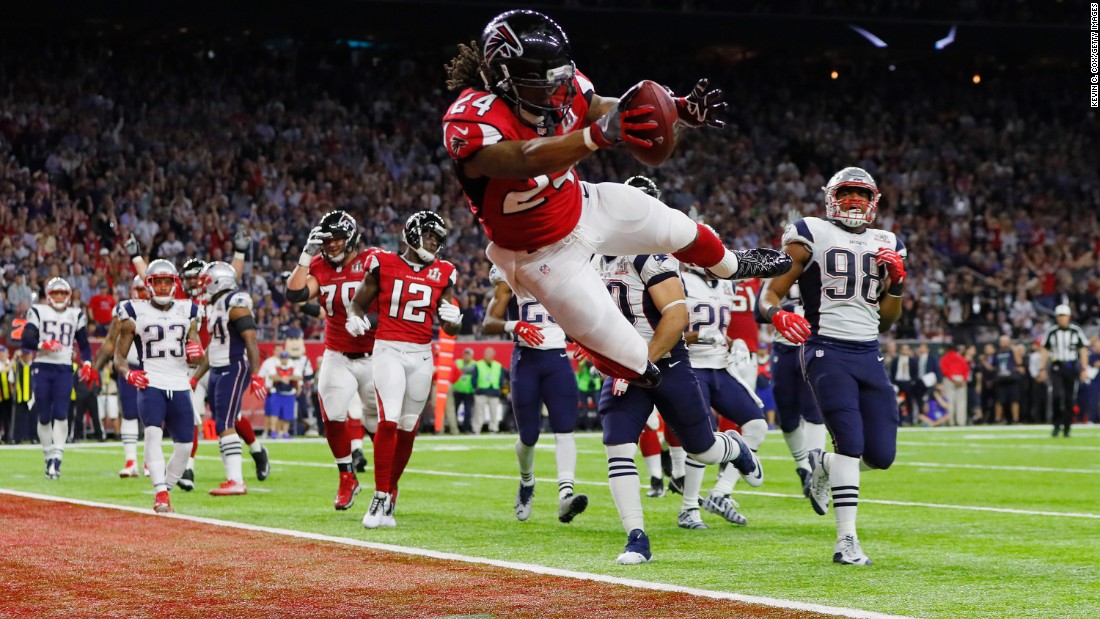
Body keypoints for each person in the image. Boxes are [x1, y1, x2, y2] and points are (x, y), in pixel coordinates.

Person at [443, 9, 791, 389]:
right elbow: (527, 158)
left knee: (679, 228)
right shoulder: (472, 119)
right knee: (635, 363)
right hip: (539, 254)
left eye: (560, 78)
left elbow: (602, 106)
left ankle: (730, 265)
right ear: (504, 77)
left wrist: (673, 109)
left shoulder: (562, 86)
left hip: (582, 204)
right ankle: (595, 345)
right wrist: (596, 136)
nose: (557, 90)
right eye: (543, 82)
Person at [758, 166, 907, 566]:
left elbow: (889, 320)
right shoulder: (811, 232)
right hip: (825, 349)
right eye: (847, 193)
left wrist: (895, 284)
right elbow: (768, 292)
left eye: (861, 194)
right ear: (830, 197)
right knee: (849, 442)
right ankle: (847, 540)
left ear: (874, 201)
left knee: (881, 455)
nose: (854, 201)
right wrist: (776, 315)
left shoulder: (888, 241)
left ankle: (822, 463)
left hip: (868, 351)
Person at [592, 248, 763, 563]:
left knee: (703, 450)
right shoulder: (593, 259)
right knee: (617, 445)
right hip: (626, 366)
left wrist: (635, 366)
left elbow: (676, 318)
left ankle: (734, 448)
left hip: (667, 365)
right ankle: (636, 538)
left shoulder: (647, 257)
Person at [347, 211, 462, 529]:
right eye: (430, 237)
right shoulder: (382, 263)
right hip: (389, 351)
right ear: (412, 234)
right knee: (389, 420)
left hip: (422, 355)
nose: (434, 245)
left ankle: (390, 491)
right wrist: (354, 317)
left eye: (438, 241)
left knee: (409, 428)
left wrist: (454, 319)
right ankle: (380, 495)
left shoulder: (445, 272)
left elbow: (448, 327)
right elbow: (358, 303)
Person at [285, 210, 380, 511]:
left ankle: (387, 483)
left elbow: (394, 304)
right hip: (337, 352)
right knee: (334, 414)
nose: (333, 245)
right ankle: (346, 477)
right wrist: (304, 255)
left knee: (377, 422)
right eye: (328, 240)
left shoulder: (371, 262)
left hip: (375, 354)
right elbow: (296, 294)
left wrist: (367, 319)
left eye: (338, 239)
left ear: (351, 237)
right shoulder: (318, 265)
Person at [483, 264, 586, 523]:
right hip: (526, 360)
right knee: (528, 436)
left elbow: (573, 315)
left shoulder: (559, 271)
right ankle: (526, 481)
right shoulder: (509, 274)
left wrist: (585, 340)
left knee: (565, 429)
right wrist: (514, 325)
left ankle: (565, 496)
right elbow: (489, 322)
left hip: (557, 359)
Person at [113, 260, 203, 513]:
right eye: (157, 282)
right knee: (152, 433)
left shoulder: (189, 310)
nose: (163, 287)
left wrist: (196, 352)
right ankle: (160, 493)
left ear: (175, 284)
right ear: (148, 284)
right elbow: (119, 356)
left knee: (185, 446)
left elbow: (197, 353)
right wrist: (128, 374)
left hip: (180, 382)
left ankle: (166, 488)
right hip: (151, 381)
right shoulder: (134, 311)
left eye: (167, 282)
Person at [190, 261, 268, 495]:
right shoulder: (215, 306)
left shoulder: (236, 301)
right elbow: (212, 348)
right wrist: (196, 378)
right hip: (218, 367)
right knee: (224, 420)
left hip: (233, 366)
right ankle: (233, 478)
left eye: (205, 281)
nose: (202, 286)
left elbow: (250, 339)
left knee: (225, 422)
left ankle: (236, 480)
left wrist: (255, 374)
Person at [21, 277, 97, 479]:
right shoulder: (38, 311)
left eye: (62, 293)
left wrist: (88, 364)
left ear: (69, 296)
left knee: (61, 413)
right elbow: (26, 338)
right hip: (43, 367)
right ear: (48, 295)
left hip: (64, 368)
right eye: (55, 293)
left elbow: (84, 344)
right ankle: (47, 455)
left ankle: (57, 457)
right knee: (44, 415)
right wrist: (41, 345)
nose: (59, 297)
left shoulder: (75, 314)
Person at [763, 283, 825, 497]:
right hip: (784, 348)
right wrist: (783, 312)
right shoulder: (778, 272)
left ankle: (816, 472)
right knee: (787, 417)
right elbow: (758, 312)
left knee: (813, 410)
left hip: (813, 345)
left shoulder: (820, 266)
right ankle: (803, 467)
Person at [93, 275, 150, 477]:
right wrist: (95, 367)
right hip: (130, 367)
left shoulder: (163, 309)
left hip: (155, 367)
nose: (141, 294)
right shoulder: (125, 309)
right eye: (139, 289)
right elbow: (110, 342)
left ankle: (149, 462)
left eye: (145, 289)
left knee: (153, 417)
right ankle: (131, 461)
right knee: (129, 413)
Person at [1041, 304, 1089, 437]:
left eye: (1064, 316)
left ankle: (1067, 427)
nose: (1062, 319)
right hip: (1056, 366)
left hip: (1071, 366)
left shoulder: (1076, 331)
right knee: (1056, 395)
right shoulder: (1052, 332)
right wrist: (1042, 368)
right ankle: (1056, 425)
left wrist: (1084, 368)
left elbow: (1083, 349)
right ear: (1056, 318)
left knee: (1069, 398)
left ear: (1069, 317)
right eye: (1059, 316)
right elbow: (1045, 350)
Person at [992, 335, 1025, 424]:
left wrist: (1015, 351)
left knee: (1014, 400)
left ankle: (1015, 419)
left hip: (1012, 379)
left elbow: (1019, 362)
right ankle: (997, 419)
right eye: (1002, 341)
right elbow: (994, 365)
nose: (1004, 343)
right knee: (999, 400)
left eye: (1005, 341)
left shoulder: (1012, 351)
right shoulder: (997, 353)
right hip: (1000, 379)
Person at [471, 347, 504, 434]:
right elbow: (473, 378)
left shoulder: (498, 365)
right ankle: (476, 428)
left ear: (493, 355)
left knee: (494, 412)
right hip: (481, 391)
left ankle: (494, 428)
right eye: (487, 354)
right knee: (478, 412)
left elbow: (501, 379)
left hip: (494, 391)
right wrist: (476, 387)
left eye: (490, 354)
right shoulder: (478, 364)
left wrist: (499, 388)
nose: (488, 356)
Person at [939, 343, 971, 426]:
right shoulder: (960, 358)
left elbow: (944, 370)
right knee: (961, 402)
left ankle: (951, 421)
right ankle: (961, 422)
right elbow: (966, 369)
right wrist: (963, 379)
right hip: (960, 379)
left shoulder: (945, 358)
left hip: (950, 380)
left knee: (949, 402)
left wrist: (953, 379)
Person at [451, 347, 476, 433]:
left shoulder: (474, 364)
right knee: (454, 410)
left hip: (469, 391)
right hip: (457, 390)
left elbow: (469, 371)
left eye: (468, 355)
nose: (466, 356)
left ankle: (466, 428)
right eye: (465, 354)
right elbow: (454, 370)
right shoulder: (457, 362)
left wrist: (462, 370)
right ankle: (455, 428)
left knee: (468, 411)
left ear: (472, 356)